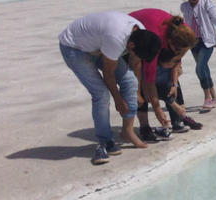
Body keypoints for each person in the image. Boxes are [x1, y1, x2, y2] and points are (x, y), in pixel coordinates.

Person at [58, 11, 162, 164]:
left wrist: (137, 91)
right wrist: (118, 100)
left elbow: (135, 64)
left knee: (130, 82)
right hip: (74, 47)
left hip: (99, 45)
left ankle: (127, 131)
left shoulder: (140, 31)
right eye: (133, 51)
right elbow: (108, 74)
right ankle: (105, 139)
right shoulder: (116, 39)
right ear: (131, 45)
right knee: (101, 95)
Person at [129, 8, 197, 142]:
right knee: (141, 84)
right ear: (171, 43)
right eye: (178, 50)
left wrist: (174, 82)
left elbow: (178, 57)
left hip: (155, 35)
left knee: (172, 78)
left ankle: (177, 121)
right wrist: (157, 109)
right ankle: (144, 127)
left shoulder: (184, 31)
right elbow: (148, 79)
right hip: (133, 41)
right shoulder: (156, 39)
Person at [154, 49, 203, 132]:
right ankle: (180, 118)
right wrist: (159, 109)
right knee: (166, 88)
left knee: (174, 87)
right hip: (153, 76)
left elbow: (175, 68)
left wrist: (175, 84)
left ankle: (181, 118)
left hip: (166, 60)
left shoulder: (176, 52)